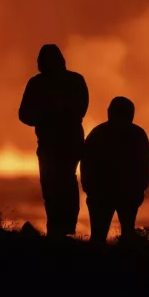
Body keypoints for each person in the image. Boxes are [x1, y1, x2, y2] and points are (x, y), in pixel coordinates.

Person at [19, 44, 89, 237]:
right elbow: (25, 114)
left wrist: (48, 114)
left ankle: (60, 228)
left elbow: (25, 115)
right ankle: (63, 228)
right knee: (62, 181)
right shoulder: (74, 80)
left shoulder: (39, 83)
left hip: (58, 142)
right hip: (61, 142)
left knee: (55, 182)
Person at [80, 97, 149, 243]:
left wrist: (90, 190)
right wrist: (140, 189)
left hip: (110, 194)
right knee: (125, 235)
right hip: (119, 194)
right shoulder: (137, 134)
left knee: (99, 237)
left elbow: (86, 163)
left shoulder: (98, 133)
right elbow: (147, 163)